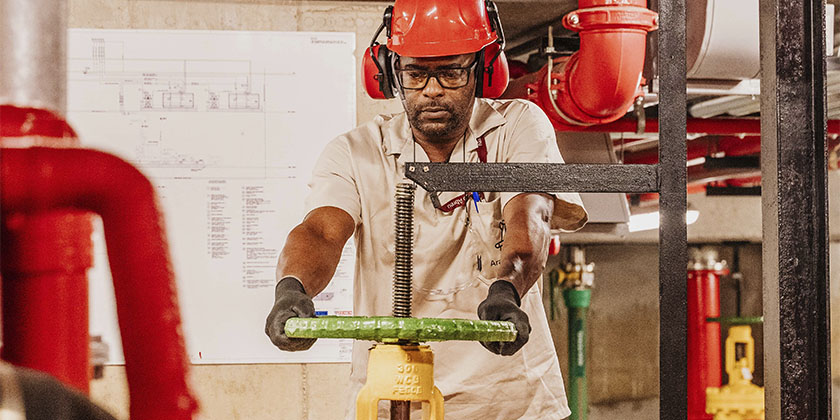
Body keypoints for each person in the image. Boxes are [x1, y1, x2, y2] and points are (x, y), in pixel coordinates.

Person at [265, 0, 588, 418]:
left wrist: (507, 289)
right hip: (392, 397)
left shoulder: (518, 127)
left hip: (509, 400)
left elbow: (532, 216)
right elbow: (322, 232)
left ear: (483, 68)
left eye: (451, 71)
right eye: (416, 73)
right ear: (389, 74)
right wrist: (292, 289)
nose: (432, 89)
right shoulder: (356, 152)